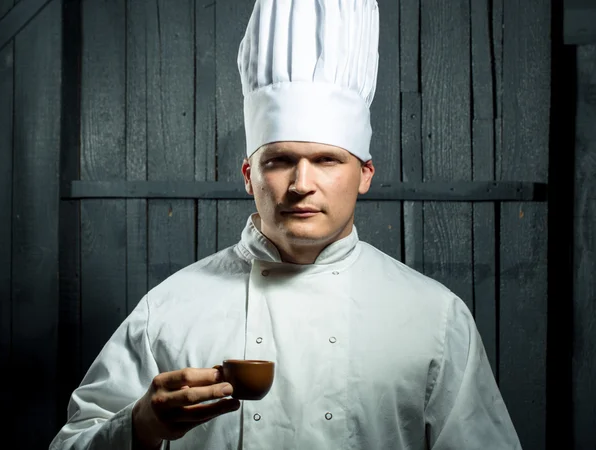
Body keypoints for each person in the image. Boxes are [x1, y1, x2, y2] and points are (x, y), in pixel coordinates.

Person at [50, 0, 522, 449]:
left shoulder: (435, 317)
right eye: (279, 161)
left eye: (326, 161)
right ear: (248, 174)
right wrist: (142, 424)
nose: (301, 184)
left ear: (365, 175)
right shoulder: (169, 310)